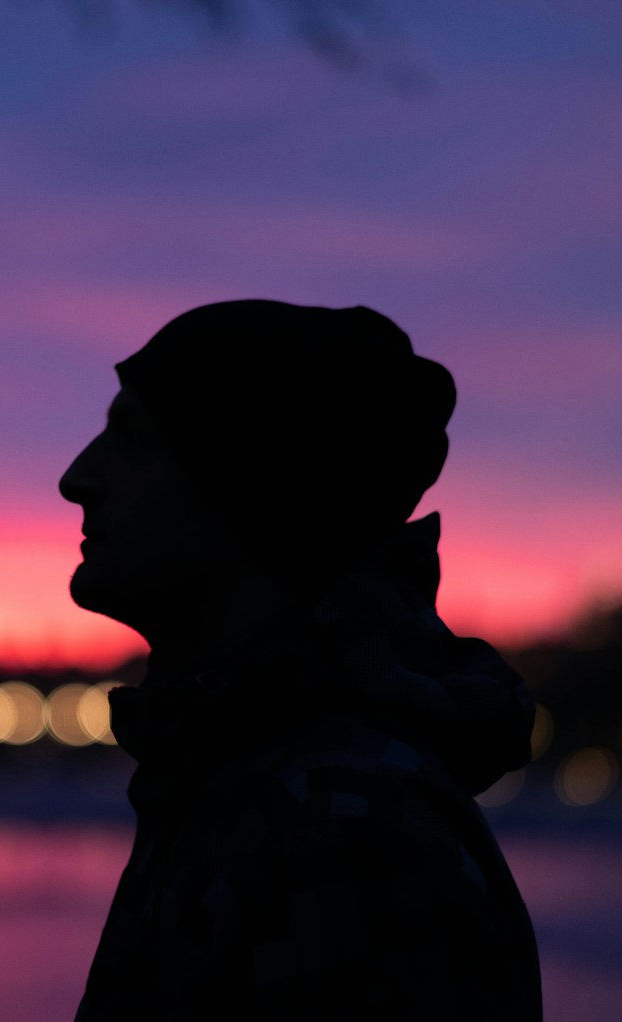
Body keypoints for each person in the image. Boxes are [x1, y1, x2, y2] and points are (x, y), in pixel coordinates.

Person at [59, 300, 542, 1021]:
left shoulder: (347, 833)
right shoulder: (243, 776)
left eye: (133, 440)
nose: (78, 477)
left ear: (254, 485)